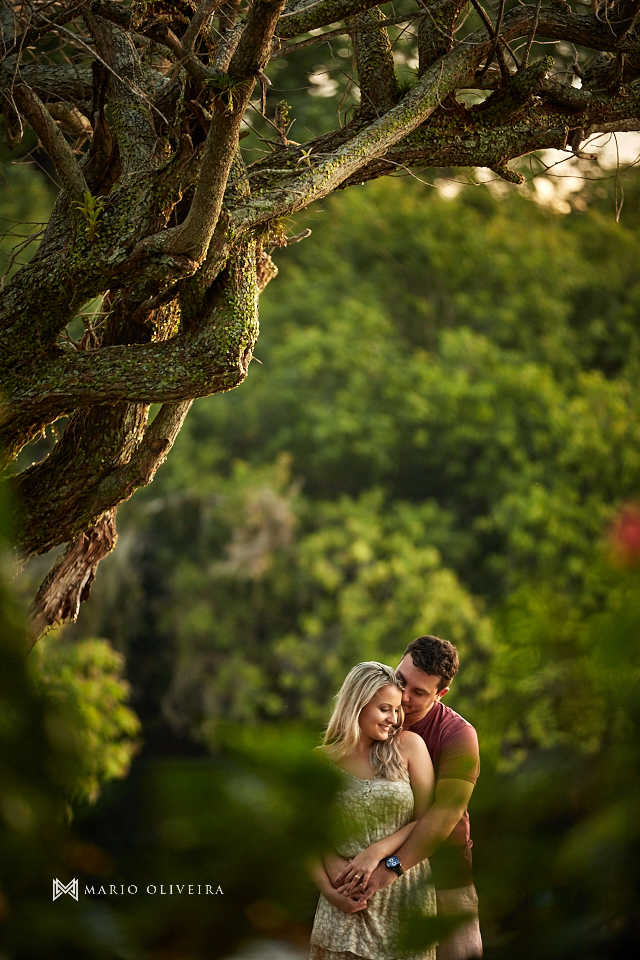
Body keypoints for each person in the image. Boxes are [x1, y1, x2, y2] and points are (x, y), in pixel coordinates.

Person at [333, 637, 482, 960]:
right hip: (364, 878)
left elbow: (446, 812)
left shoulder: (457, 735)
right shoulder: (370, 720)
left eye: (419, 693)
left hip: (443, 878)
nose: (405, 697)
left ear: (440, 694)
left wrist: (390, 867)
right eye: (402, 681)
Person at [309, 661, 438, 960]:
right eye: (385, 709)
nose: (394, 719)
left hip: (403, 897)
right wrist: (330, 892)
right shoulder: (321, 760)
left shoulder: (410, 747)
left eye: (397, 710)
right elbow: (303, 835)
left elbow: (427, 821)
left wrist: (378, 853)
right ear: (358, 703)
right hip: (341, 907)